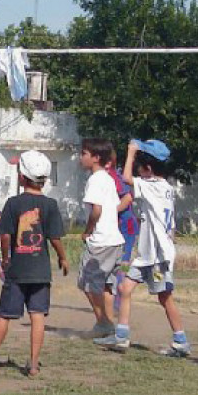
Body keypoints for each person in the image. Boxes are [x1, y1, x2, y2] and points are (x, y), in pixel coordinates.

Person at [0, 151, 67, 377]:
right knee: (37, 315)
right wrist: (63, 257)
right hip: (41, 272)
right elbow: (55, 237)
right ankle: (33, 364)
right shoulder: (50, 204)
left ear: (21, 177)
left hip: (18, 270)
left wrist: (7, 258)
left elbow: (6, 235)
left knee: (4, 316)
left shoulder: (13, 203)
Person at [95, 139, 190, 357]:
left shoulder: (153, 186)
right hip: (147, 255)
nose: (137, 169)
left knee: (165, 297)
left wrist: (130, 152)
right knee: (124, 289)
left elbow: (127, 179)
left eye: (140, 165)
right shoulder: (166, 188)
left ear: (148, 169)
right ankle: (121, 336)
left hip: (157, 256)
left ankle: (181, 341)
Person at [77, 138, 125, 337]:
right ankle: (107, 326)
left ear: (96, 158)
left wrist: (88, 230)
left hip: (101, 241)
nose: (81, 158)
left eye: (84, 154)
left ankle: (103, 323)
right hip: (115, 240)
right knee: (106, 284)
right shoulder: (108, 177)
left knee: (86, 282)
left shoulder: (95, 179)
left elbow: (96, 210)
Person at [108, 158, 138, 315]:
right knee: (116, 264)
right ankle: (115, 300)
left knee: (123, 265)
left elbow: (127, 198)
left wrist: (109, 212)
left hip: (127, 228)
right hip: (118, 227)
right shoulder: (105, 177)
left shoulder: (115, 176)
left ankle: (119, 303)